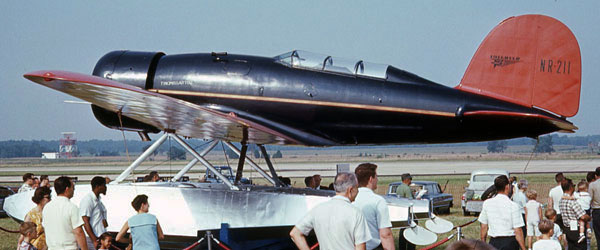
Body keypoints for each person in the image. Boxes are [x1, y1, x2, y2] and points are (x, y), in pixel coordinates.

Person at [290, 172, 371, 250]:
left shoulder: (318, 209)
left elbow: (295, 233)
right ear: (350, 190)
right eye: (357, 188)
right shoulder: (355, 213)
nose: (358, 191)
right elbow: (360, 247)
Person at [353, 163, 394, 250]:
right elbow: (385, 234)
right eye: (376, 176)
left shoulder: (350, 199)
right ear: (371, 179)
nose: (377, 180)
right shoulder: (378, 201)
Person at [478, 175, 526, 250]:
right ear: (507, 187)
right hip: (510, 242)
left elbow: (484, 226)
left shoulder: (487, 204)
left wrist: (483, 243)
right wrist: (523, 248)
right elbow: (518, 230)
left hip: (493, 242)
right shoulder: (513, 205)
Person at [42, 176, 88, 250]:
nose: (74, 190)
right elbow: (78, 232)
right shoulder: (71, 207)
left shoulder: (47, 207)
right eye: (73, 187)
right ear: (67, 189)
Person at [558, 178, 590, 250]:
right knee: (580, 247)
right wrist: (589, 217)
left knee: (571, 247)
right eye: (573, 185)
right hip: (577, 229)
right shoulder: (572, 202)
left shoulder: (561, 200)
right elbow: (583, 217)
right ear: (570, 187)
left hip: (567, 229)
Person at [80, 176, 108, 250]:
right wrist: (94, 240)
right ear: (97, 186)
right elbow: (85, 222)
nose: (106, 187)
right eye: (104, 185)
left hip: (100, 238)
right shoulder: (88, 200)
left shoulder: (98, 200)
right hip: (92, 239)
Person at [589, 167, 600, 250]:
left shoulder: (592, 185)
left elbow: (590, 199)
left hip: (597, 210)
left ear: (596, 175)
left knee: (598, 234)